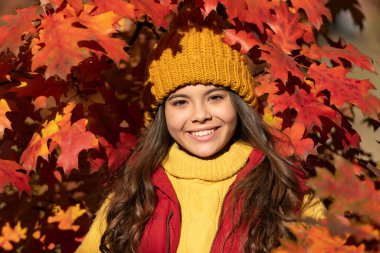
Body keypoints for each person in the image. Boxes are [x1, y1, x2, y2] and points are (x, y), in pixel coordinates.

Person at [75, 26, 325, 253]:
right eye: (181, 102)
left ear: (238, 105)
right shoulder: (134, 191)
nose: (200, 115)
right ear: (162, 114)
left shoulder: (285, 192)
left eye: (215, 97)